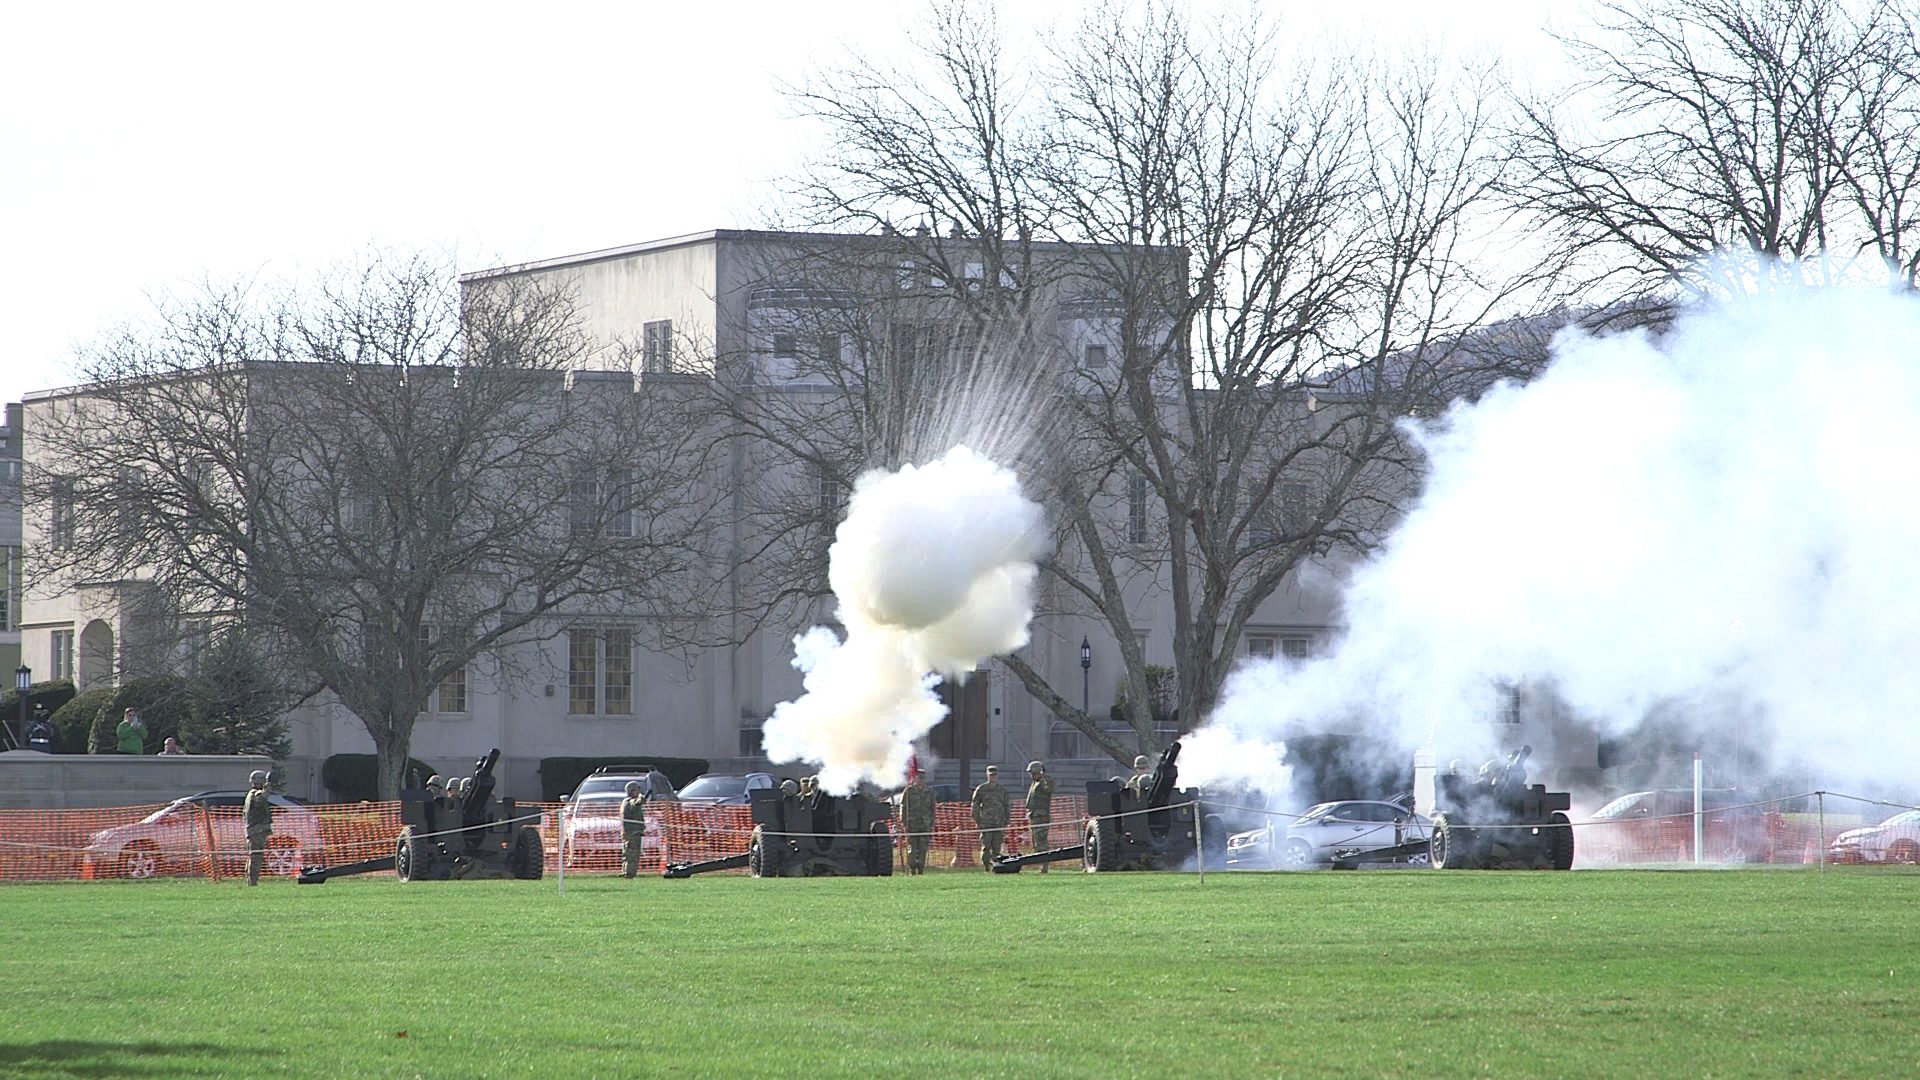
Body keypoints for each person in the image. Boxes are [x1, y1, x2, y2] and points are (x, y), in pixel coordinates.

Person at [970, 765, 1009, 870]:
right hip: (986, 823)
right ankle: (986, 866)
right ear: (987, 775)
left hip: (998, 823)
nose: (993, 777)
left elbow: (1006, 806)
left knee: (997, 846)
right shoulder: (982, 789)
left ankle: (996, 866)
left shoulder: (1002, 790)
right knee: (986, 846)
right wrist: (978, 820)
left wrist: (1006, 820)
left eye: (994, 775)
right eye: (991, 775)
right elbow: (975, 805)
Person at [900, 770, 935, 875]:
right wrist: (904, 822)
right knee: (912, 847)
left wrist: (932, 823)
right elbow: (904, 807)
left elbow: (932, 808)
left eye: (923, 778)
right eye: (919, 778)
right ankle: (912, 868)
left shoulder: (929, 791)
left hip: (925, 824)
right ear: (915, 778)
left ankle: (920, 868)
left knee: (923, 848)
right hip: (912, 823)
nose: (921, 780)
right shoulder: (909, 791)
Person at [1024, 761, 1056, 873]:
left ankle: (1044, 866)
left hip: (1041, 817)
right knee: (1036, 842)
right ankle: (1041, 865)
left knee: (1041, 842)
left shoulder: (1043, 782)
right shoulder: (1035, 783)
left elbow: (1051, 787)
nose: (1030, 775)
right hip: (1034, 816)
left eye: (1032, 772)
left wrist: (1044, 776)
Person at [243, 769, 274, 885]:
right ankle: (253, 882)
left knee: (253, 856)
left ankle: (251, 880)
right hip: (256, 831)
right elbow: (261, 799)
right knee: (256, 856)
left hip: (254, 830)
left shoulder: (250, 794)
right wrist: (268, 786)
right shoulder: (255, 794)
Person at [620, 780, 649, 879]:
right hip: (633, 833)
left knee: (627, 854)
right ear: (632, 791)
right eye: (637, 790)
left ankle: (626, 872)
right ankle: (630, 874)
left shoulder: (625, 802)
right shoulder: (630, 802)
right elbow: (637, 802)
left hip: (629, 833)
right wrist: (642, 797)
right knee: (632, 855)